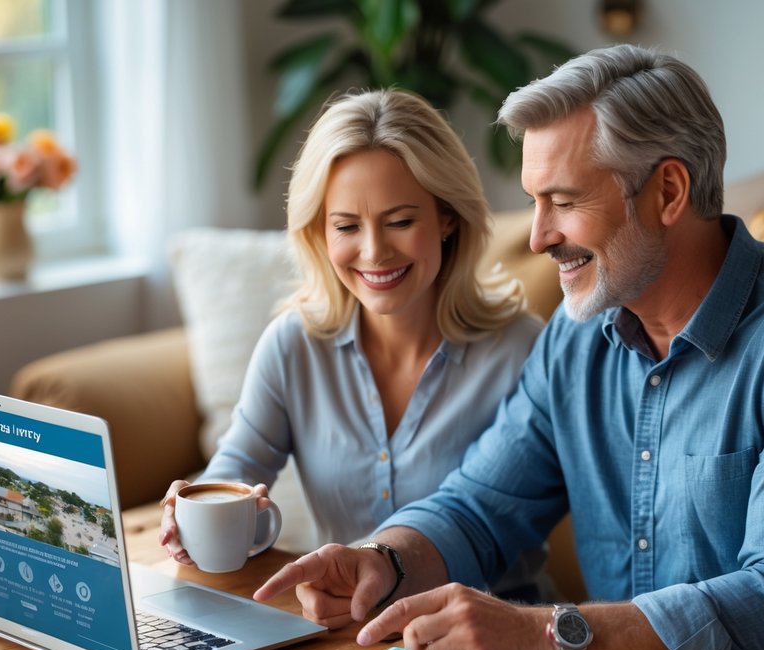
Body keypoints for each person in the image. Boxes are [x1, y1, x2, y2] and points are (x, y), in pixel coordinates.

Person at [254, 45, 764, 650]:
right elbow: (481, 505)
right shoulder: (576, 339)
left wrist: (548, 635)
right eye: (534, 202)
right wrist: (382, 558)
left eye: (562, 202)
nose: (537, 238)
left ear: (668, 192)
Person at [159, 89, 547, 600]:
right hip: (347, 636)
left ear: (447, 217)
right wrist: (191, 513)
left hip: (493, 642)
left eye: (401, 221)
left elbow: (513, 513)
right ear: (320, 232)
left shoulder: (523, 349)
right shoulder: (293, 345)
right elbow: (236, 470)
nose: (374, 252)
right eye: (346, 226)